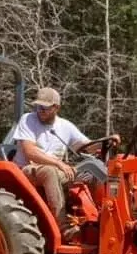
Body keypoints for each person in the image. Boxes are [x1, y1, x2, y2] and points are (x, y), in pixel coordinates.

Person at [12, 87, 119, 239]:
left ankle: (102, 219)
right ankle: (64, 228)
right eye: (38, 106)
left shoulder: (64, 126)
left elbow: (86, 147)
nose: (40, 110)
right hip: (28, 170)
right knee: (50, 171)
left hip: (56, 170)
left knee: (94, 169)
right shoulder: (28, 119)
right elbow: (31, 152)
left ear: (56, 108)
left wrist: (107, 142)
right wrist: (59, 163)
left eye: (45, 107)